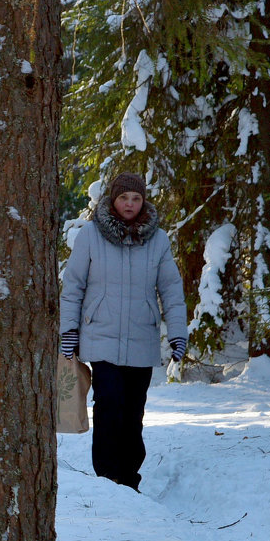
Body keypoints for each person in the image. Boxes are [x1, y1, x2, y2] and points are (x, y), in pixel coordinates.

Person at [59, 172, 187, 491]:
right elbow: (73, 285)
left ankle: (130, 479)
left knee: (133, 413)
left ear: (143, 201)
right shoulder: (91, 234)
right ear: (112, 200)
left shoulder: (157, 239)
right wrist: (68, 330)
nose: (129, 204)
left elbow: (170, 288)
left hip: (141, 337)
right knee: (109, 406)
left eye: (136, 198)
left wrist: (178, 333)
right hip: (99, 337)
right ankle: (107, 479)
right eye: (123, 197)